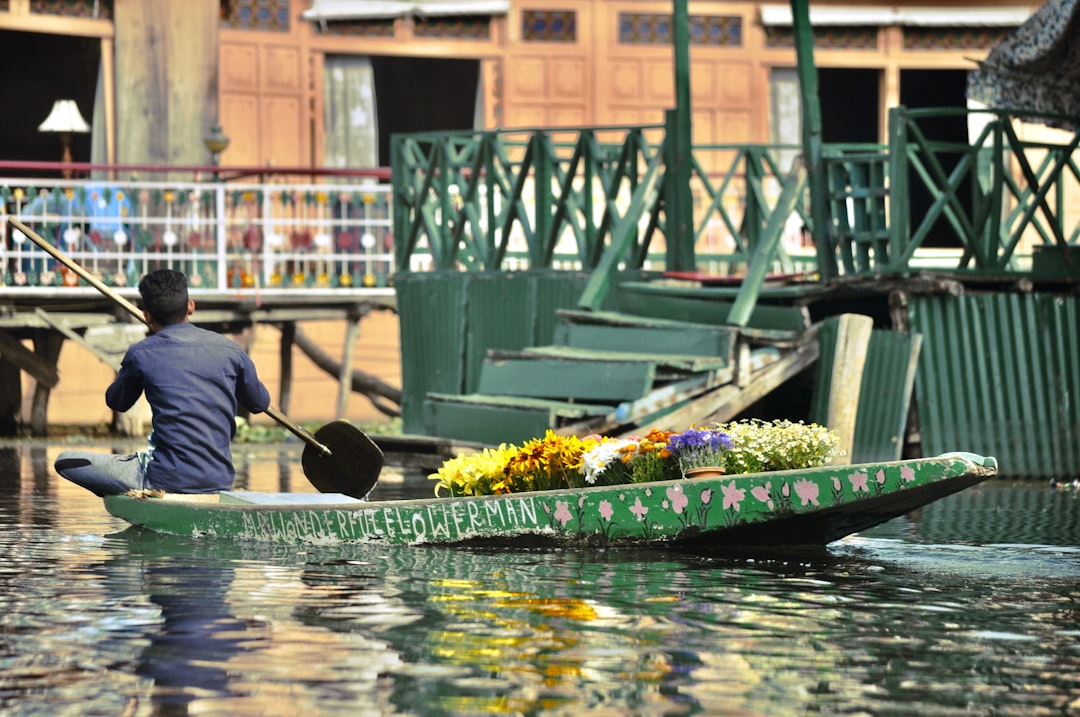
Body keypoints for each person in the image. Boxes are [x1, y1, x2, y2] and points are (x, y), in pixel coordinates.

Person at [55, 269, 271, 496]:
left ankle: (137, 487)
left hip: (161, 480)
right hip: (219, 480)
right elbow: (260, 403)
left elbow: (117, 402)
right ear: (190, 306)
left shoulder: (141, 353)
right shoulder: (230, 351)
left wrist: (130, 366)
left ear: (147, 316)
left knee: (66, 461)